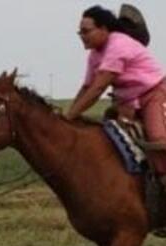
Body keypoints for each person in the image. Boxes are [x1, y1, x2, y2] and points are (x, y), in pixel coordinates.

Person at [66, 5, 166, 184]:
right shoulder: (95, 55)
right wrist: (68, 114)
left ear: (104, 29)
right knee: (111, 140)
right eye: (79, 32)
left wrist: (70, 116)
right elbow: (86, 87)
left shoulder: (118, 44)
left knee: (156, 137)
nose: (82, 36)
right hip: (126, 100)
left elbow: (97, 89)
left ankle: (163, 178)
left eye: (86, 31)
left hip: (152, 93)